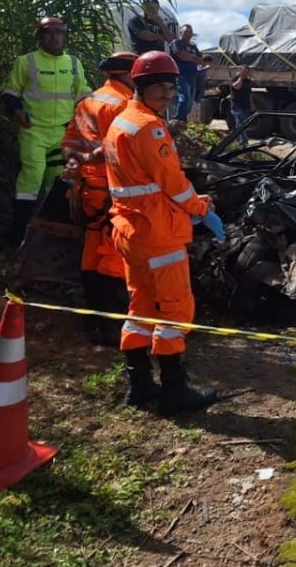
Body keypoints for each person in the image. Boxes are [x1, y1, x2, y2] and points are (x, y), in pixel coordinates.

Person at [103, 50, 224, 416]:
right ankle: (174, 391)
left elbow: (144, 184)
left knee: (140, 307)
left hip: (130, 231)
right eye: (160, 87)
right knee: (175, 310)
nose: (168, 94)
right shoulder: (148, 128)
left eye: (172, 87)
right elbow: (173, 184)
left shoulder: (122, 121)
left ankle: (140, 386)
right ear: (139, 85)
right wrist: (202, 208)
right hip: (158, 234)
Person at [60, 51, 139, 348]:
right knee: (113, 256)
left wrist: (76, 164)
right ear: (129, 76)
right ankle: (109, 326)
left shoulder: (88, 101)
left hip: (87, 192)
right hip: (111, 192)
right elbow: (124, 153)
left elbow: (68, 143)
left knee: (92, 253)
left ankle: (92, 318)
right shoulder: (124, 105)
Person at [0, 16, 93, 247]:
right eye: (48, 32)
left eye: (59, 32)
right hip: (34, 131)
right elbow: (10, 91)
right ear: (40, 36)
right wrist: (16, 110)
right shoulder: (26, 62)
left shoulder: (74, 63)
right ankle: (18, 235)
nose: (54, 36)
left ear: (64, 35)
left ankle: (52, 236)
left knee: (60, 182)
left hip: (63, 132)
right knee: (31, 177)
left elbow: (83, 93)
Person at [167, 24, 202, 123]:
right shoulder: (176, 43)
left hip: (192, 76)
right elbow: (182, 56)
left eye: (190, 32)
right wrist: (194, 58)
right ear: (180, 33)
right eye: (186, 32)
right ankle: (178, 120)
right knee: (184, 99)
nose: (188, 34)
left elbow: (201, 60)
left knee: (190, 102)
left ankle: (182, 121)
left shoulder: (193, 47)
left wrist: (194, 58)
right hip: (181, 75)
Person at [229, 66, 255, 142]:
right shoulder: (234, 79)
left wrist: (252, 104)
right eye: (244, 72)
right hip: (236, 106)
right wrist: (240, 77)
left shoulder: (248, 81)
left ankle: (236, 140)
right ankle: (244, 141)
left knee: (242, 124)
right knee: (241, 123)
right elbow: (237, 87)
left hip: (246, 105)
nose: (246, 74)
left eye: (247, 72)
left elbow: (250, 93)